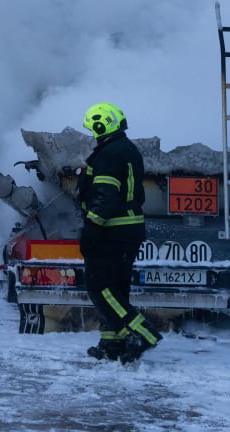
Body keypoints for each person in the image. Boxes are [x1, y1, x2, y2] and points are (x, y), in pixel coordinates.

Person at [77, 102, 163, 364]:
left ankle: (141, 333)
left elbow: (105, 197)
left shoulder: (109, 153)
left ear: (103, 124)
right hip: (127, 230)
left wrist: (92, 228)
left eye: (93, 127)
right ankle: (113, 343)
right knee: (116, 288)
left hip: (111, 230)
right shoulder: (123, 148)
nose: (92, 132)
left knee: (99, 286)